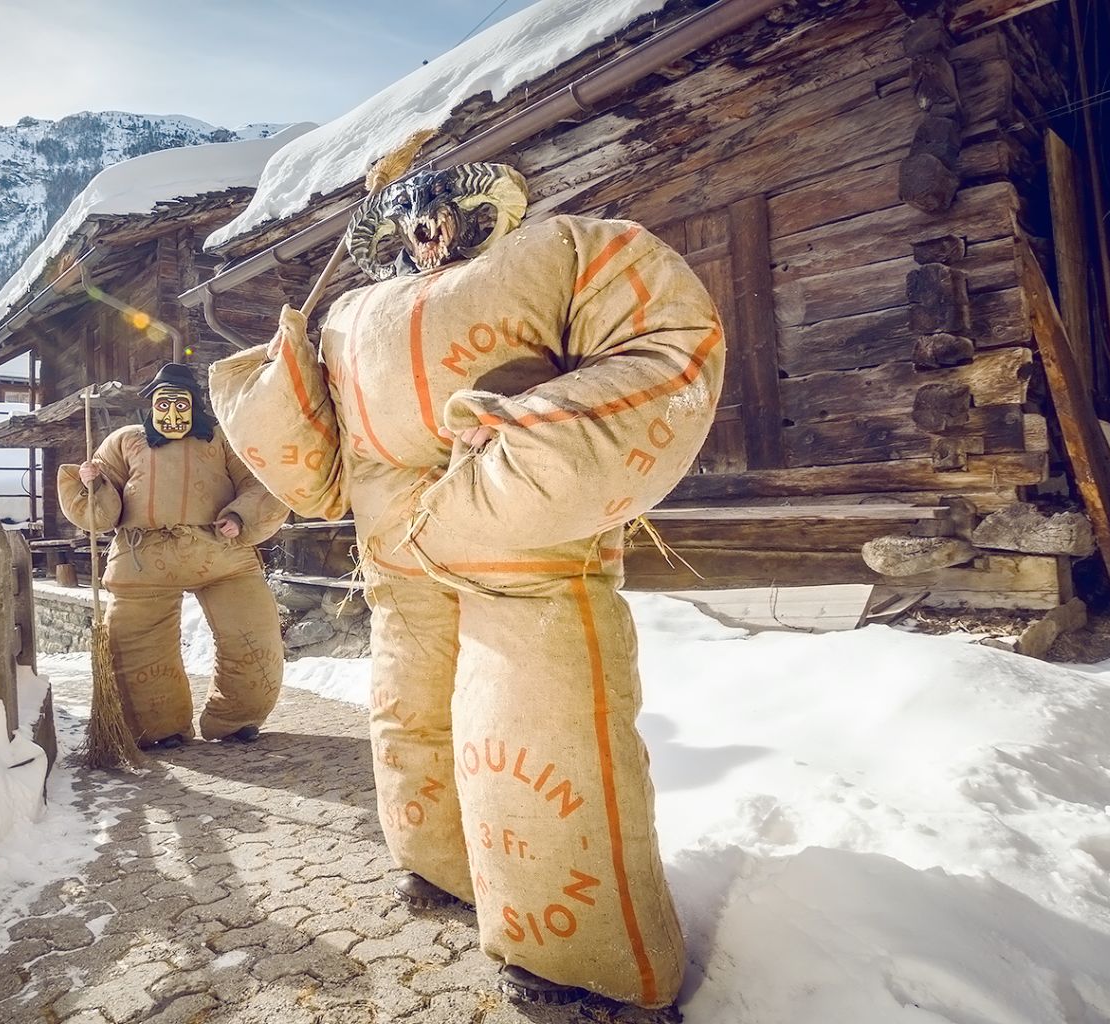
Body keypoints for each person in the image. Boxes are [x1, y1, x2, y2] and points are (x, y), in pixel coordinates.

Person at [209, 162, 723, 1018]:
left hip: (518, 543)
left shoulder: (558, 252)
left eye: (438, 214)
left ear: (478, 213)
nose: (426, 231)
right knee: (411, 712)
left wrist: (518, 459)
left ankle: (581, 956)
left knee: (533, 719)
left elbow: (666, 341)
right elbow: (322, 465)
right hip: (400, 555)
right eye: (408, 220)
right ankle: (440, 862)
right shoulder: (349, 317)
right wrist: (283, 372)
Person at [57, 362, 289, 749]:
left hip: (220, 554)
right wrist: (92, 483)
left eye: (180, 406)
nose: (172, 415)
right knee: (137, 645)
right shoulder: (125, 441)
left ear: (194, 406)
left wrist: (239, 516)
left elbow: (260, 482)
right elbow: (102, 514)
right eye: (163, 406)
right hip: (142, 557)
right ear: (151, 407)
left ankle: (236, 718)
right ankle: (159, 727)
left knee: (254, 634)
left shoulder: (220, 438)